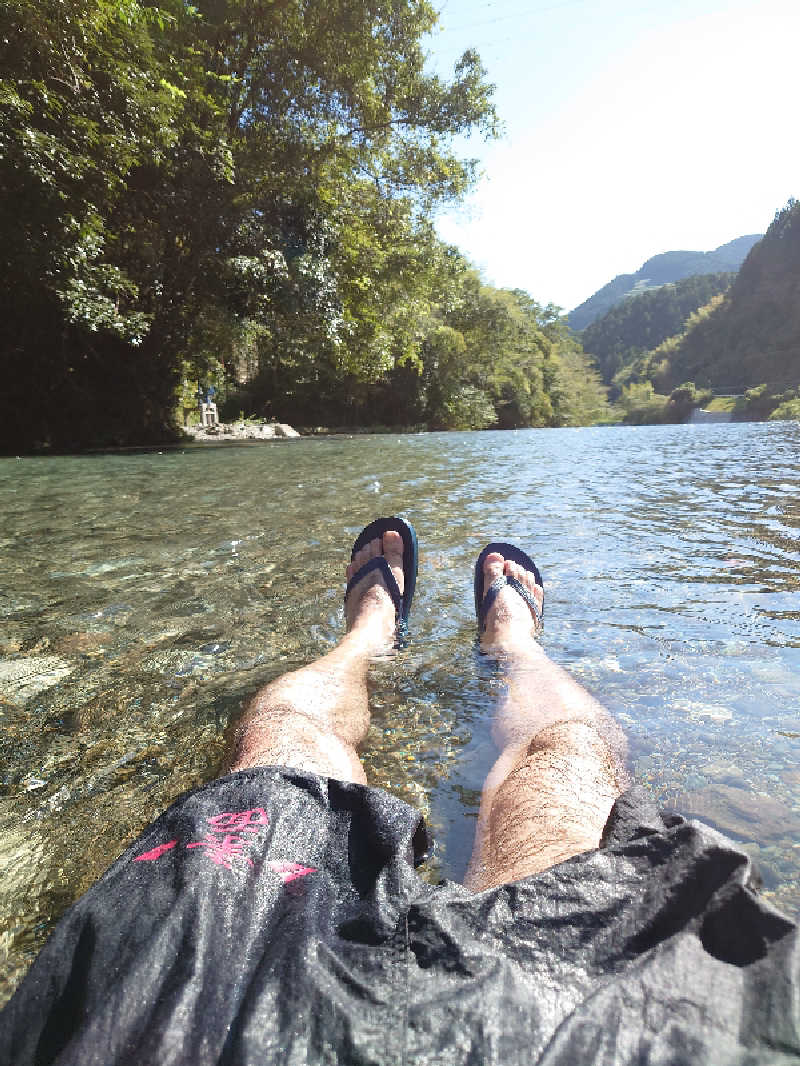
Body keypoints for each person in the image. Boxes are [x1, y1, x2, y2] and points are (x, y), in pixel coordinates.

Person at [1, 517, 798, 1065]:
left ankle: (371, 632)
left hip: (197, 1021)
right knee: (568, 764)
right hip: (616, 1022)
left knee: (284, 743)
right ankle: (504, 640)